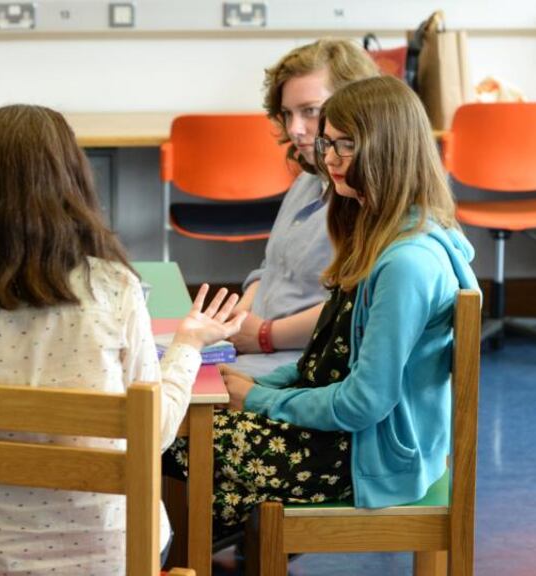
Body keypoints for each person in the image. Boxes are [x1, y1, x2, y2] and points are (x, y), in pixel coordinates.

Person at [0, 104, 248, 575]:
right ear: (74, 183)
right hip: (118, 557)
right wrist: (187, 345)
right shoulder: (113, 288)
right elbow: (156, 431)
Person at [168, 75, 478, 549]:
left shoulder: (407, 264)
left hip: (365, 455)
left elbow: (363, 403)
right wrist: (257, 385)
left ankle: (182, 554)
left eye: (346, 145)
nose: (329, 158)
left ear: (388, 149)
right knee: (189, 427)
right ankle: (199, 546)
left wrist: (256, 399)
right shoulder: (379, 232)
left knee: (175, 438)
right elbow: (329, 358)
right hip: (353, 439)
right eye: (328, 143)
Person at [229, 39, 380, 377]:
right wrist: (236, 319)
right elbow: (272, 268)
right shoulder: (307, 180)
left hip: (303, 361)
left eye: (310, 111)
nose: (295, 129)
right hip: (257, 345)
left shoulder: (364, 200)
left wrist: (264, 335)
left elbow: (355, 309)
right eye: (287, 114)